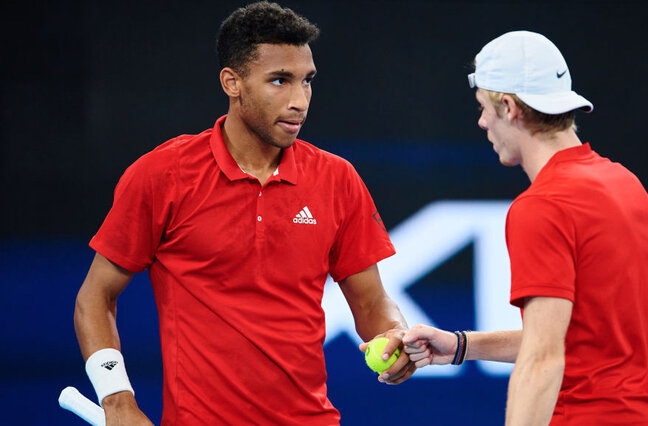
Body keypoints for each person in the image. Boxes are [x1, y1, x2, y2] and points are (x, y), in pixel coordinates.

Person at [73, 2, 416, 425]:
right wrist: (117, 401)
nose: (299, 101)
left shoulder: (337, 178)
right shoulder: (163, 174)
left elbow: (372, 302)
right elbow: (95, 298)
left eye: (307, 81)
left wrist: (394, 334)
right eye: (280, 81)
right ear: (232, 83)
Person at [403, 31, 648, 425]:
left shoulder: (542, 206)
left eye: (483, 107)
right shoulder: (625, 183)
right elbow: (582, 340)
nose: (481, 122)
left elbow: (543, 358)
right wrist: (460, 346)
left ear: (508, 107)